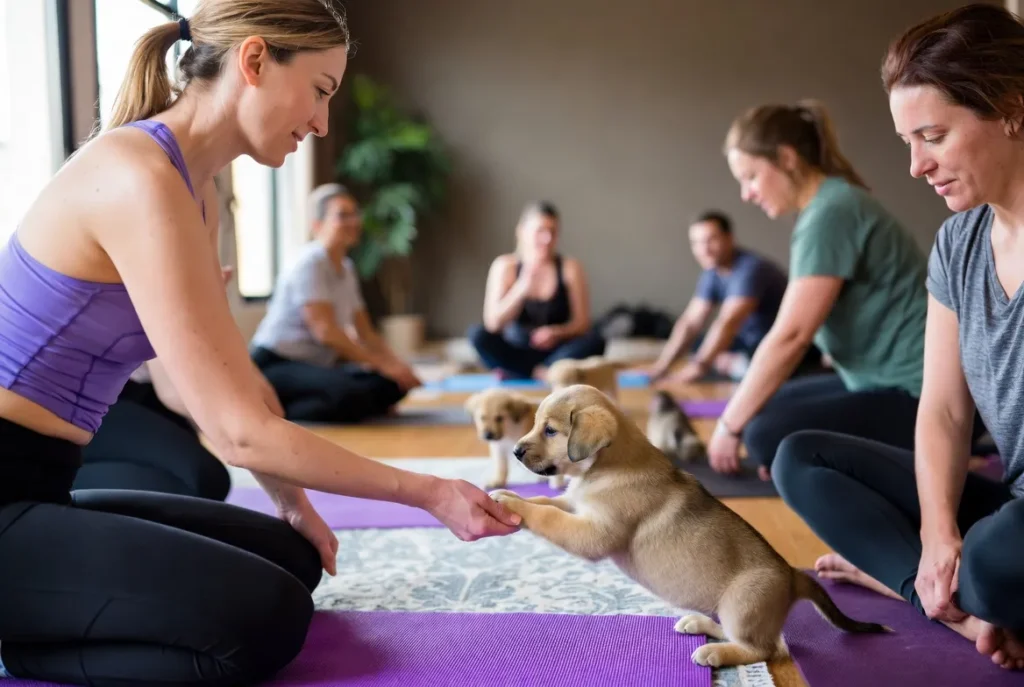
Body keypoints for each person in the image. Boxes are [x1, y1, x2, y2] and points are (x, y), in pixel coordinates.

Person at [0, 3, 520, 685]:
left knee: (292, 555)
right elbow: (236, 434)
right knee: (264, 616)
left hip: (47, 485)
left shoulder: (198, 193)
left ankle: (45, 616)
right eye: (320, 90)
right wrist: (429, 492)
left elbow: (182, 386)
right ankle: (25, 645)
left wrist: (293, 501)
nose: (321, 122)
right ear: (253, 62)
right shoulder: (138, 176)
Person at [773, 4, 1024, 670]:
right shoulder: (957, 244)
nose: (916, 165)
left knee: (999, 557)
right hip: (1013, 507)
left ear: (1011, 107)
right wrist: (939, 533)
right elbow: (943, 408)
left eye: (933, 136)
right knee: (799, 458)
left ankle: (927, 588)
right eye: (908, 141)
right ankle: (962, 608)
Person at [705, 98, 936, 481]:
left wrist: (728, 427)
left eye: (751, 177)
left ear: (786, 158)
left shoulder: (831, 211)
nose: (746, 193)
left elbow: (792, 336)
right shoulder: (830, 203)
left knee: (760, 432)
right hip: (874, 383)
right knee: (762, 413)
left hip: (919, 398)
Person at [250, 183, 420, 423]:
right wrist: (380, 365)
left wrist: (396, 366)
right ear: (317, 225)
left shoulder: (347, 268)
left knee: (393, 385)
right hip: (276, 364)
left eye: (355, 213)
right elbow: (326, 333)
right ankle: (269, 409)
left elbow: (366, 332)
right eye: (343, 215)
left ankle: (355, 404)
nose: (353, 221)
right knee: (349, 394)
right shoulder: (309, 263)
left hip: (318, 367)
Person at [648, 209, 809, 384]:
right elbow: (690, 322)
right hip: (746, 340)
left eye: (711, 240)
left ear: (729, 238)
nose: (704, 250)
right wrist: (661, 366)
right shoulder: (712, 272)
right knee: (697, 344)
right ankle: (733, 364)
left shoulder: (751, 269)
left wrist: (699, 367)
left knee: (709, 355)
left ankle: (739, 366)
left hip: (774, 342)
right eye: (696, 243)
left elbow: (728, 322)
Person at [468, 201, 606, 380]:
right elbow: (493, 323)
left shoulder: (570, 268)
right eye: (540, 231)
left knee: (596, 341)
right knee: (477, 335)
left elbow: (581, 323)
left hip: (557, 353)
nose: (547, 238)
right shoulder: (505, 266)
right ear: (522, 231)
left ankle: (532, 372)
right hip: (517, 350)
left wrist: (557, 332)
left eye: (553, 232)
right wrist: (521, 288)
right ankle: (539, 373)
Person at [75, 359, 231, 500]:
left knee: (206, 482)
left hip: (142, 395)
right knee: (196, 483)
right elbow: (175, 392)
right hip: (76, 399)